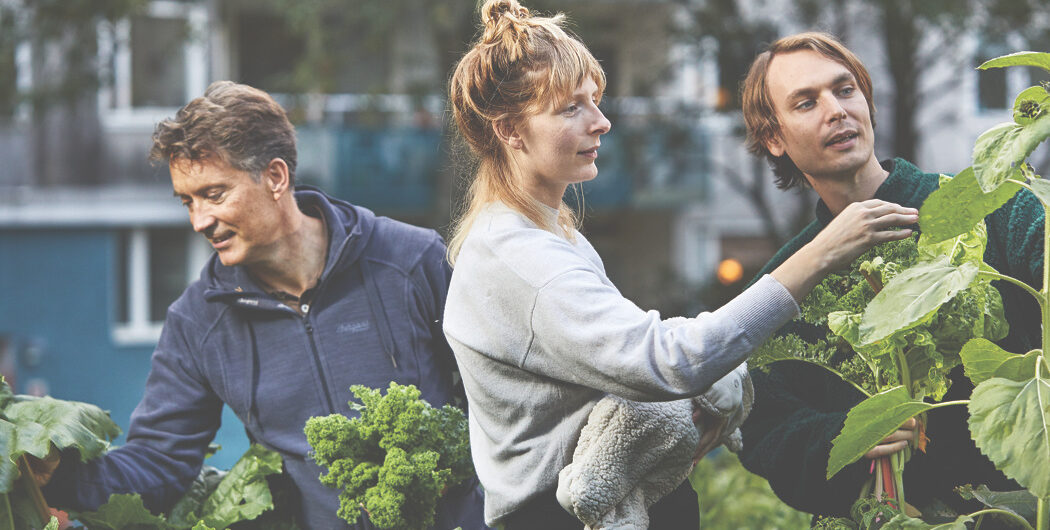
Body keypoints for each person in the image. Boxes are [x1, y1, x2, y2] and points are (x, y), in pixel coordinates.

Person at [441, 4, 919, 529]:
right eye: (570, 108)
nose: (600, 121)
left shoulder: (548, 236)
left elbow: (621, 378)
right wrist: (821, 254)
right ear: (510, 131)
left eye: (594, 100)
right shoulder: (520, 259)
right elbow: (664, 361)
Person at [37, 81, 489, 529]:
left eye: (214, 194)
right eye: (187, 201)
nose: (199, 221)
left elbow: (498, 391)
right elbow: (158, 464)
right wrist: (59, 475)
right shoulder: (198, 322)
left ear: (275, 177)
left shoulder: (410, 261)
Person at [736, 32, 1045, 519]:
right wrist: (847, 435)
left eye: (845, 90)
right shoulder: (783, 285)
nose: (836, 110)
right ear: (774, 138)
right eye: (806, 102)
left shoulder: (995, 208)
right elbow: (761, 428)